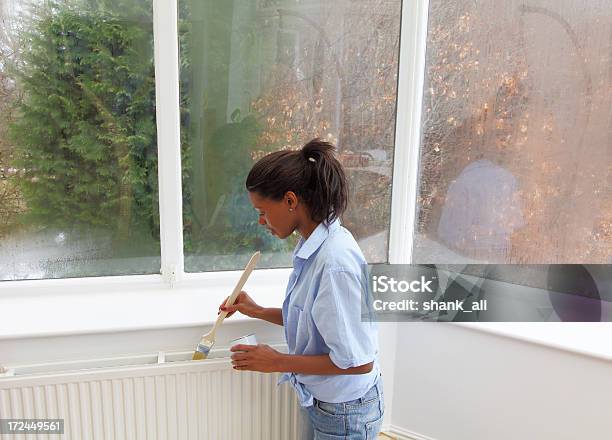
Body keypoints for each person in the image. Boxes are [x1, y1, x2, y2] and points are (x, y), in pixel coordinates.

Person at [219, 139, 384, 439]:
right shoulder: (310, 244)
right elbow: (313, 320)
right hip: (322, 403)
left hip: (346, 412)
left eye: (263, 211)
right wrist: (256, 311)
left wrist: (277, 361)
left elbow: (359, 362)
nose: (260, 221)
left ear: (291, 201)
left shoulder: (335, 263)